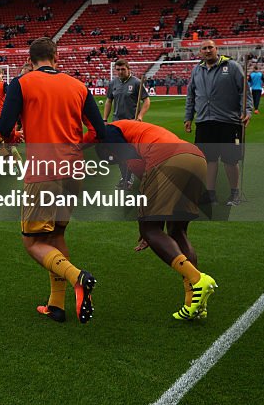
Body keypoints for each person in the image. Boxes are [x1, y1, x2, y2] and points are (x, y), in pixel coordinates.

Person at [0, 37, 106, 324]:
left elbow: (4, 127)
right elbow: (100, 131)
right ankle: (56, 305)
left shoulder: (23, 83)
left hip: (43, 170)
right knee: (55, 236)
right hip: (74, 170)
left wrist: (13, 137)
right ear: (56, 57)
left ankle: (77, 278)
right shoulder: (78, 85)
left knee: (32, 241)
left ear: (30, 59)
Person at [88, 120, 218, 320]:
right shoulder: (133, 131)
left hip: (168, 159)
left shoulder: (109, 132)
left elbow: (145, 176)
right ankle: (193, 303)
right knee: (177, 232)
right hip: (195, 157)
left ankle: (197, 279)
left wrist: (148, 228)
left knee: (149, 229)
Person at [184, 41, 253, 207]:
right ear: (200, 52)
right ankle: (210, 195)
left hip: (228, 121)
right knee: (208, 159)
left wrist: (247, 111)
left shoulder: (232, 66)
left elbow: (244, 91)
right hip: (204, 121)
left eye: (210, 48)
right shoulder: (196, 70)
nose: (207, 51)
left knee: (230, 159)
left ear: (217, 49)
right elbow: (191, 96)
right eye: (204, 48)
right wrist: (188, 117)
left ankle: (235, 193)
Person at [103, 59, 150, 189]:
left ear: (128, 69)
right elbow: (108, 101)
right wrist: (105, 120)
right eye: (117, 69)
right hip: (117, 124)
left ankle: (134, 177)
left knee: (132, 153)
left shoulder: (136, 83)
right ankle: (125, 178)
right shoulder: (113, 83)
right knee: (119, 153)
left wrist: (140, 116)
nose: (120, 72)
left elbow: (146, 101)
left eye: (123, 69)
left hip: (132, 124)